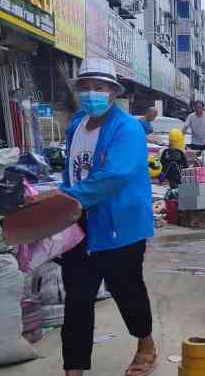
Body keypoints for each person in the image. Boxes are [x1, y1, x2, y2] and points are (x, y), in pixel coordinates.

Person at [57, 58, 157, 376]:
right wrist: (62, 198)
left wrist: (65, 198)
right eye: (85, 87)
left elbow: (115, 175)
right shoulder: (77, 124)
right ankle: (73, 368)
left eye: (99, 87)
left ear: (113, 92)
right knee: (77, 296)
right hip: (79, 221)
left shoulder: (127, 128)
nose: (91, 94)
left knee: (127, 289)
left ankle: (146, 344)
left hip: (119, 225)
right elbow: (72, 170)